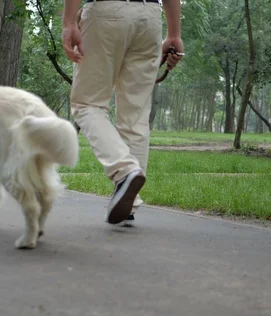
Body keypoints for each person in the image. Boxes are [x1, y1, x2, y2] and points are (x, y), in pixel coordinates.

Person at [61, 0, 183, 226]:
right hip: (149, 18)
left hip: (106, 13)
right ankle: (128, 201)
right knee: (135, 115)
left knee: (88, 104)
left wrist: (69, 22)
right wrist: (174, 34)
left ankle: (125, 171)